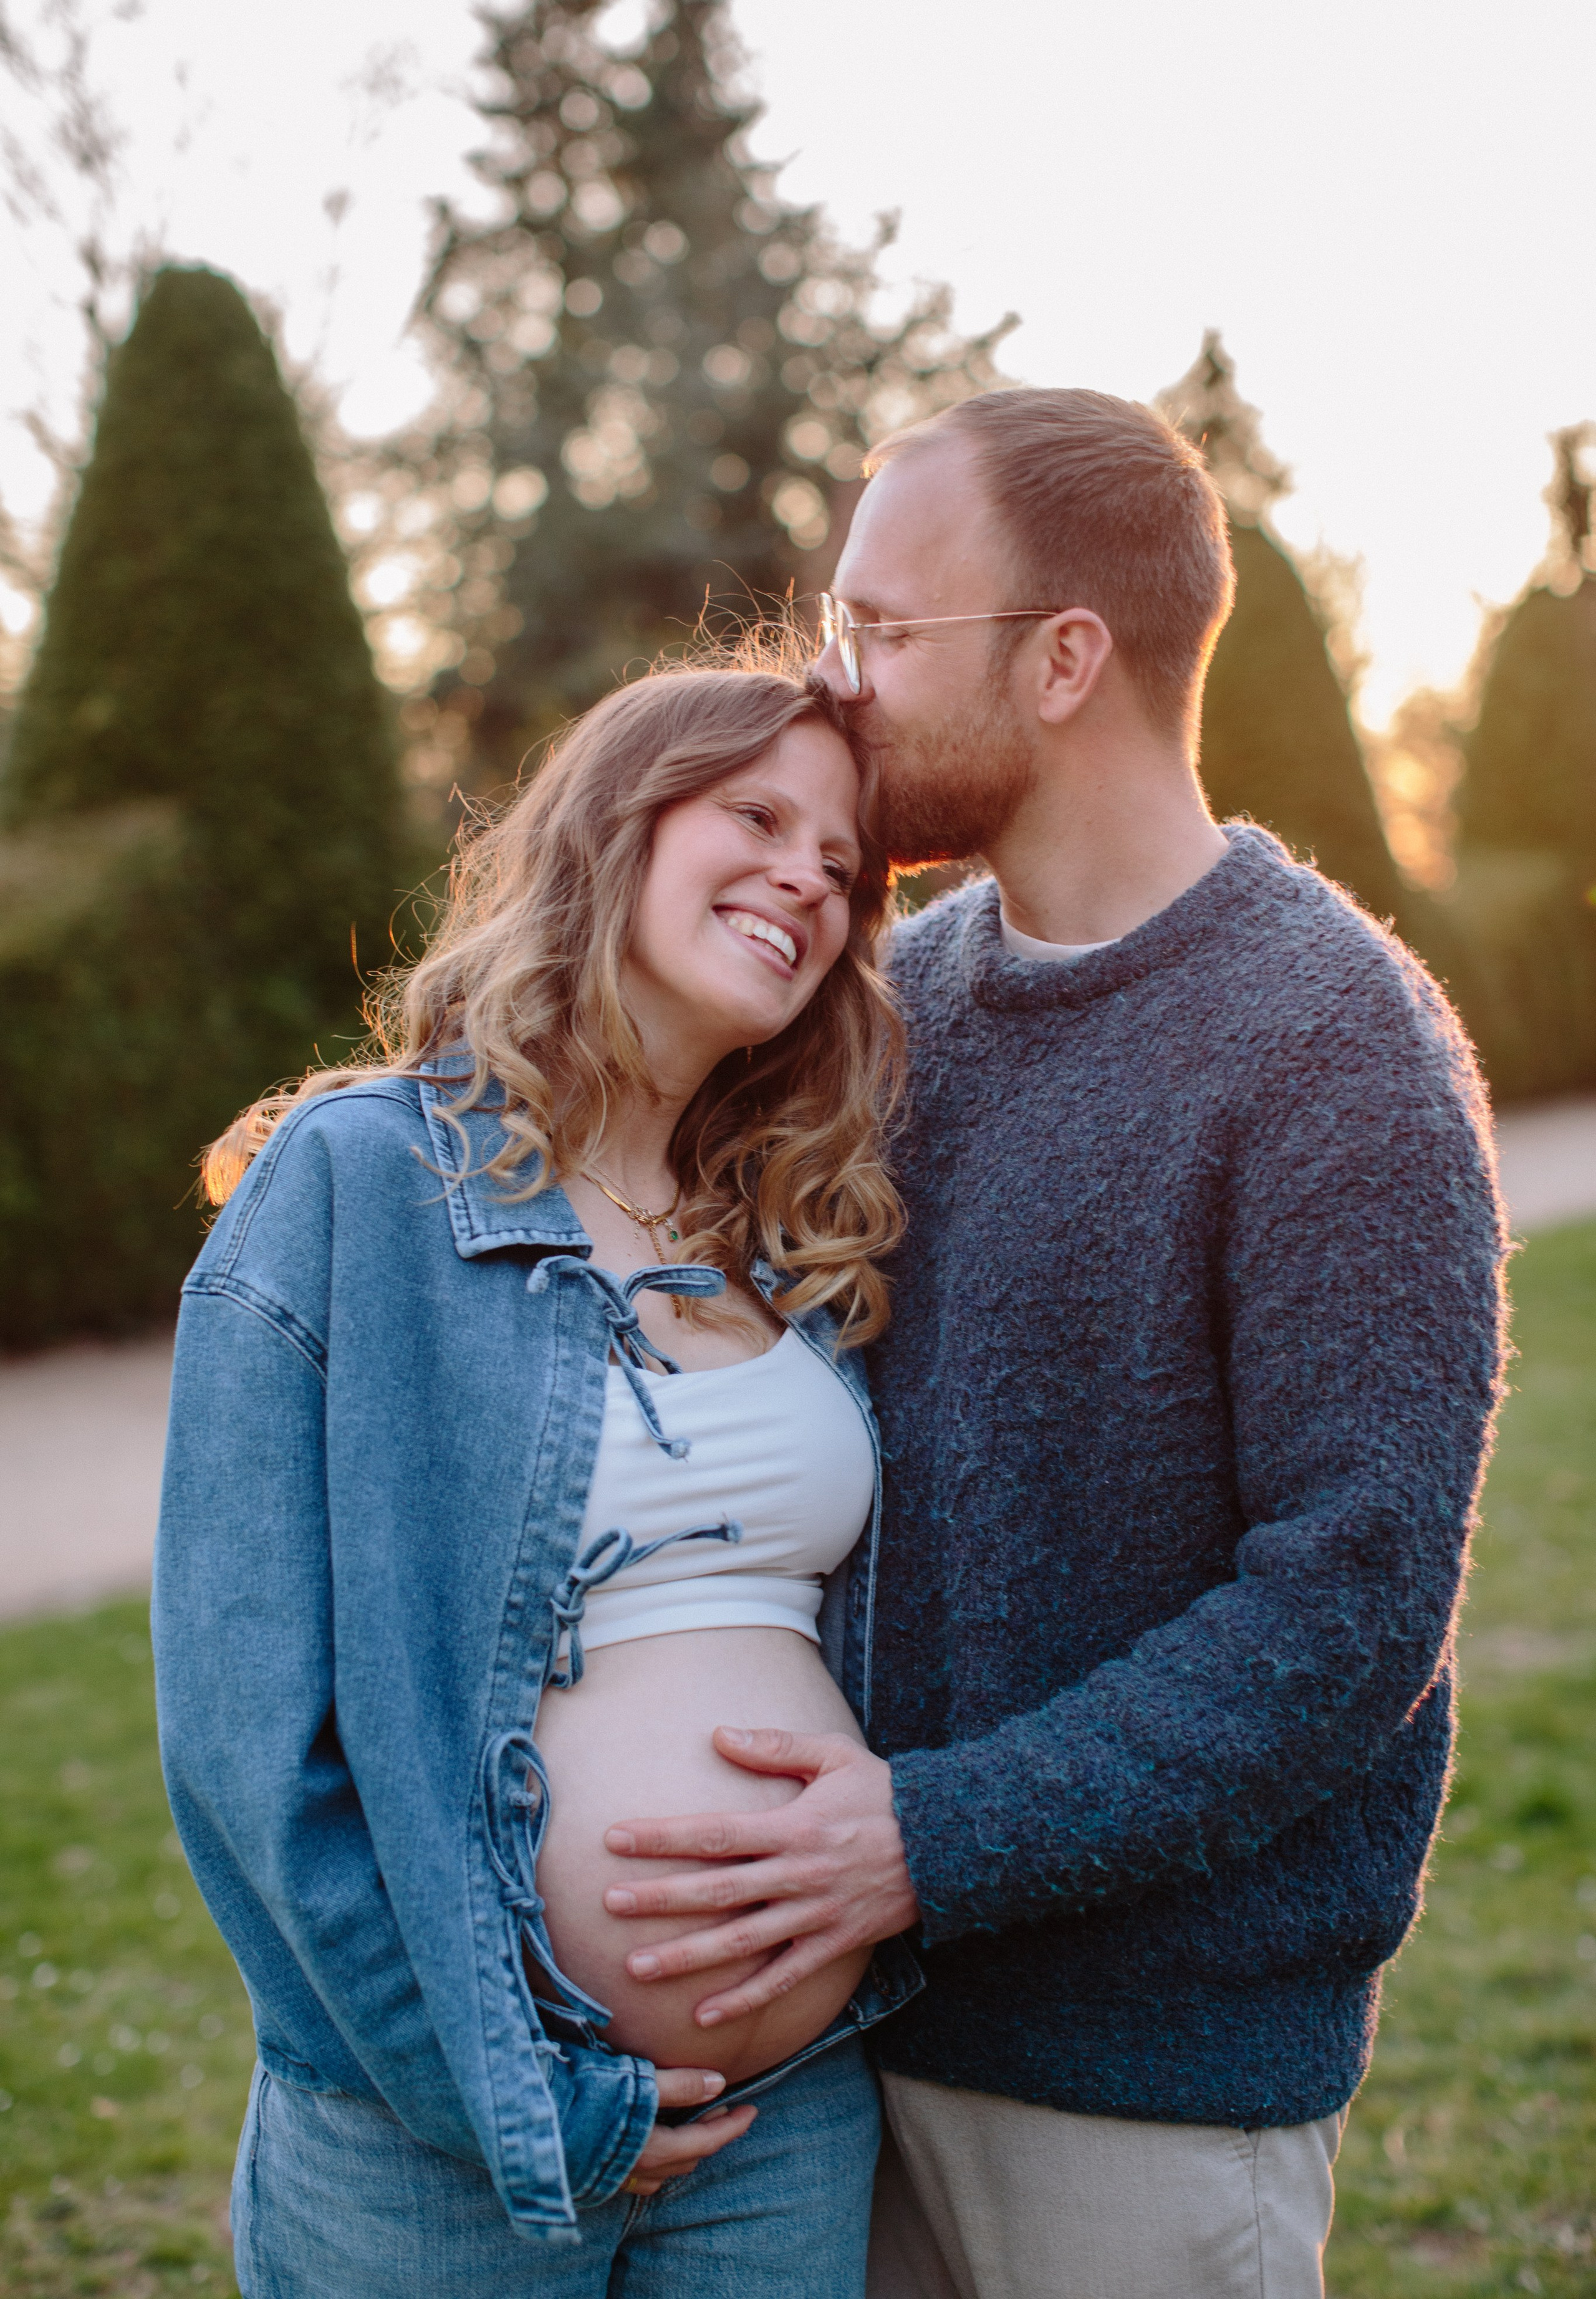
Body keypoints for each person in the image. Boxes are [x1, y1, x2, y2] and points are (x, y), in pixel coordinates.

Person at [588, 390, 1506, 2299]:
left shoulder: (1336, 1046)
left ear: (1068, 658)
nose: (835, 691)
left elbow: (1350, 1611)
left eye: (881, 632)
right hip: (836, 2057)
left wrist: (930, 1837)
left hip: (1140, 2102)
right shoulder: (890, 1005)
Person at [152, 665, 921, 2298]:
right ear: (618, 826)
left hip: (787, 2123)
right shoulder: (360, 1182)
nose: (807, 873)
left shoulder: (799, 1241)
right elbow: (244, 1732)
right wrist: (509, 2095)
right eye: (759, 816)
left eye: (843, 865)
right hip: (442, 2151)